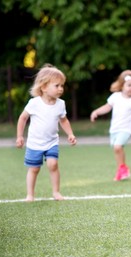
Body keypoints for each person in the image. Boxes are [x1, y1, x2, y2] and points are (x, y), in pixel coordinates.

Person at [16, 64, 77, 202]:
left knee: (53, 164)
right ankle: (30, 195)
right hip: (34, 143)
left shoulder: (61, 104)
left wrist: (70, 134)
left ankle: (56, 192)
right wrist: (20, 136)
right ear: (43, 87)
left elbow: (64, 120)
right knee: (34, 169)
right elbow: (23, 118)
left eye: (62, 85)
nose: (61, 88)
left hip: (51, 142)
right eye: (57, 86)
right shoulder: (34, 103)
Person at [90, 69, 131, 181]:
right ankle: (121, 169)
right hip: (114, 129)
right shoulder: (115, 97)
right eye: (129, 85)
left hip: (126, 129)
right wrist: (96, 112)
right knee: (117, 149)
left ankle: (122, 168)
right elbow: (107, 107)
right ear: (122, 85)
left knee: (118, 147)